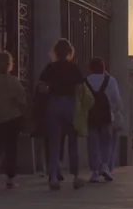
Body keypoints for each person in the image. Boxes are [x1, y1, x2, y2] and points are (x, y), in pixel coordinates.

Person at [39, 38, 86, 190]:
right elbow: (80, 88)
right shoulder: (74, 68)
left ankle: (53, 177)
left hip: (54, 103)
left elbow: (41, 85)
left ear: (55, 52)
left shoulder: (50, 67)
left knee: (54, 142)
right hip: (70, 104)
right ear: (69, 52)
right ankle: (76, 176)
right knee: (72, 142)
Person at [0, 51, 26, 189]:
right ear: (9, 65)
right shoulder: (12, 81)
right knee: (11, 148)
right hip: (11, 119)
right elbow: (21, 100)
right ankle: (10, 178)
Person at [86, 57, 122, 183]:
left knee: (92, 143)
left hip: (91, 116)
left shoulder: (86, 80)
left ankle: (95, 171)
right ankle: (105, 166)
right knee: (106, 141)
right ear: (104, 67)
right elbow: (117, 99)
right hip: (107, 116)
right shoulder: (110, 80)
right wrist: (114, 110)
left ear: (90, 68)